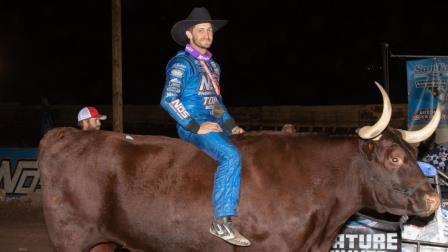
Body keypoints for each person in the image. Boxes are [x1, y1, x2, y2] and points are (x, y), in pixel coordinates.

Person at [160, 7, 250, 246]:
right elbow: (169, 99)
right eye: (201, 30)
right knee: (230, 156)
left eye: (209, 30)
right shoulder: (182, 63)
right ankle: (221, 222)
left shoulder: (213, 66)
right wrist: (194, 126)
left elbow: (216, 103)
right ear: (190, 34)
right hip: (193, 125)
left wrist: (231, 126)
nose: (207, 34)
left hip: (213, 122)